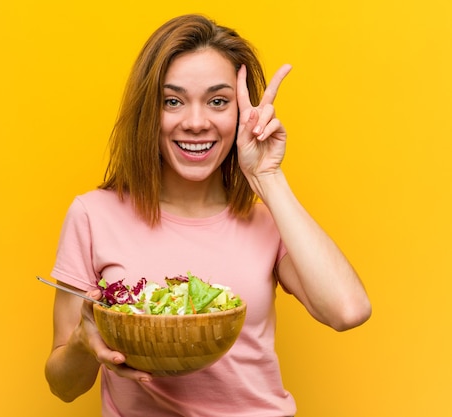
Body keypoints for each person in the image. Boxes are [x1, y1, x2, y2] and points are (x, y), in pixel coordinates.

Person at [44, 13, 371, 417]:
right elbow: (63, 386)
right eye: (172, 101)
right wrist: (83, 342)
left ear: (240, 114)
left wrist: (267, 176)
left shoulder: (268, 222)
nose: (196, 123)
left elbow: (348, 310)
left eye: (218, 101)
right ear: (149, 112)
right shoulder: (94, 215)